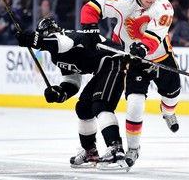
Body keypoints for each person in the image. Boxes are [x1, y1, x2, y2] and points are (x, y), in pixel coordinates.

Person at [80, 0, 181, 169]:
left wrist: (142, 47)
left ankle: (168, 112)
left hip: (161, 57)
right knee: (134, 104)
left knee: (172, 96)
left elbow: (154, 37)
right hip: (134, 62)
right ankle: (133, 149)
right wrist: (89, 28)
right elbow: (91, 7)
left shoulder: (164, 7)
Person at [15, 18, 128, 170]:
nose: (52, 35)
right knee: (83, 108)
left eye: (51, 33)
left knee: (101, 104)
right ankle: (90, 151)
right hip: (103, 69)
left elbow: (61, 42)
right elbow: (72, 81)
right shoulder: (57, 56)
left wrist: (36, 41)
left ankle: (116, 152)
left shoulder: (69, 36)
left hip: (115, 62)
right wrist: (60, 93)